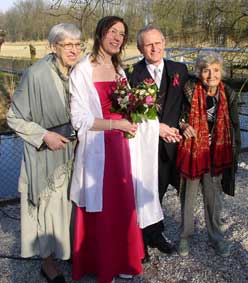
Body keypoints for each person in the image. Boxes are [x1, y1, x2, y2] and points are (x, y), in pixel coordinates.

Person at [69, 16, 163, 283]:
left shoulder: (120, 69)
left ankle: (123, 260)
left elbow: (127, 108)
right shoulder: (82, 71)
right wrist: (116, 123)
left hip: (122, 146)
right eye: (113, 31)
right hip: (98, 147)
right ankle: (103, 265)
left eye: (122, 34)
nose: (117, 38)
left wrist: (139, 113)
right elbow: (80, 121)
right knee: (103, 208)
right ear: (100, 33)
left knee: (123, 205)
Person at [7, 23, 82, 283]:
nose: (74, 50)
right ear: (53, 47)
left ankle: (69, 251)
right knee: (47, 208)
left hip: (74, 152)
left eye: (77, 44)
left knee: (70, 206)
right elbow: (14, 118)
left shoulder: (79, 73)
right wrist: (44, 136)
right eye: (67, 44)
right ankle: (48, 263)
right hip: (45, 153)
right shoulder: (35, 74)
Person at [126, 25, 189, 261]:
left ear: (164, 43)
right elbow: (129, 112)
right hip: (146, 145)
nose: (154, 48)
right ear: (141, 48)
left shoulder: (179, 70)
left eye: (158, 42)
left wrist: (182, 123)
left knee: (160, 191)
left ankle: (156, 234)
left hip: (174, 144)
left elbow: (187, 102)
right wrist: (155, 129)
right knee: (144, 191)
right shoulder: (133, 74)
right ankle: (140, 239)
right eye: (148, 44)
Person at [176, 51, 241, 257]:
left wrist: (232, 151)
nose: (211, 75)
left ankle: (216, 237)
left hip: (216, 154)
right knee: (188, 196)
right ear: (199, 73)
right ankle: (185, 237)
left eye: (215, 70)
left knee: (214, 198)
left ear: (221, 71)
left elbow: (234, 125)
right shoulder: (189, 89)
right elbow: (178, 116)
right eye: (206, 70)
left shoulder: (228, 93)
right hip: (193, 151)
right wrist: (183, 125)